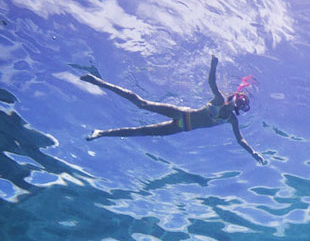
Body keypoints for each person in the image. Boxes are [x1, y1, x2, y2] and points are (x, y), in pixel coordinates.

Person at [81, 55, 266, 164]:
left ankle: (102, 133)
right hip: (182, 113)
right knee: (142, 104)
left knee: (144, 131)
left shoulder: (231, 119)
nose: (237, 105)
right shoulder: (219, 101)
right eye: (238, 100)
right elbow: (212, 82)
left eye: (241, 105)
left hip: (182, 127)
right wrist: (213, 66)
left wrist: (252, 152)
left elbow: (240, 139)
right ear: (233, 98)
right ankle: (99, 82)